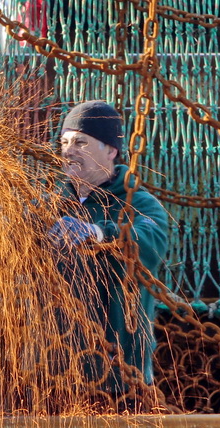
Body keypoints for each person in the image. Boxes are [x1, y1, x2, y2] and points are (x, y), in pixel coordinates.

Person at [48, 100, 169, 394]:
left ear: (111, 151)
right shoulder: (50, 203)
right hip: (55, 367)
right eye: (64, 142)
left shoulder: (138, 203)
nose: (68, 151)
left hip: (119, 372)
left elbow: (150, 242)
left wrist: (98, 233)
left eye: (80, 142)